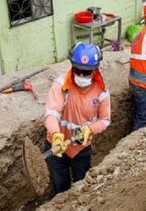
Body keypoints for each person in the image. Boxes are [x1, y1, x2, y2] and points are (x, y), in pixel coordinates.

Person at [44, 42, 111, 195]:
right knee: (61, 187)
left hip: (81, 149)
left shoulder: (101, 92)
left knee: (82, 187)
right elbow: (51, 113)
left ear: (95, 70)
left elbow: (105, 120)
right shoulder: (61, 85)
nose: (81, 75)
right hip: (56, 146)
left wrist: (90, 129)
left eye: (86, 72)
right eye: (78, 70)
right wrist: (55, 135)